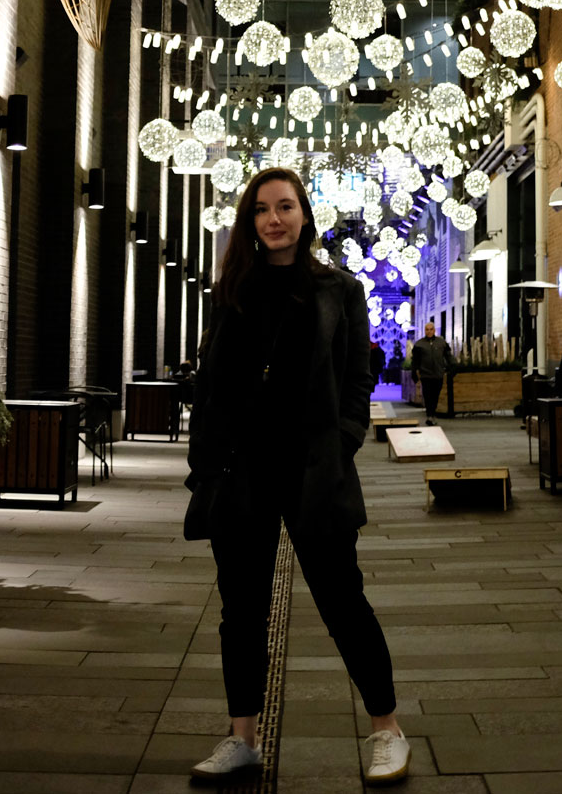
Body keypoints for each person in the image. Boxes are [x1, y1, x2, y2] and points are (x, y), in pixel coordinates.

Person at [183, 167, 410, 785]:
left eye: (285, 206)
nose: (274, 218)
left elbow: (357, 378)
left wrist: (344, 440)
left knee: (343, 600)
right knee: (242, 611)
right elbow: (213, 383)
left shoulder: (338, 289)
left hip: (314, 469)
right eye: (261, 209)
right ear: (249, 221)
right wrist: (204, 461)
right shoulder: (231, 288)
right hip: (242, 473)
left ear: (305, 215)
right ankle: (242, 737)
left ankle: (386, 727)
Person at [410, 321, 454, 419]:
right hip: (426, 374)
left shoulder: (441, 343)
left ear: (434, 330)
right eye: (427, 329)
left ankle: (432, 413)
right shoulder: (419, 344)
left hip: (438, 374)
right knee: (427, 395)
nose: (429, 331)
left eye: (431, 329)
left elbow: (448, 356)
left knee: (435, 395)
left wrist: (452, 367)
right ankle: (430, 415)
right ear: (424, 331)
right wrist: (414, 372)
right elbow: (415, 360)